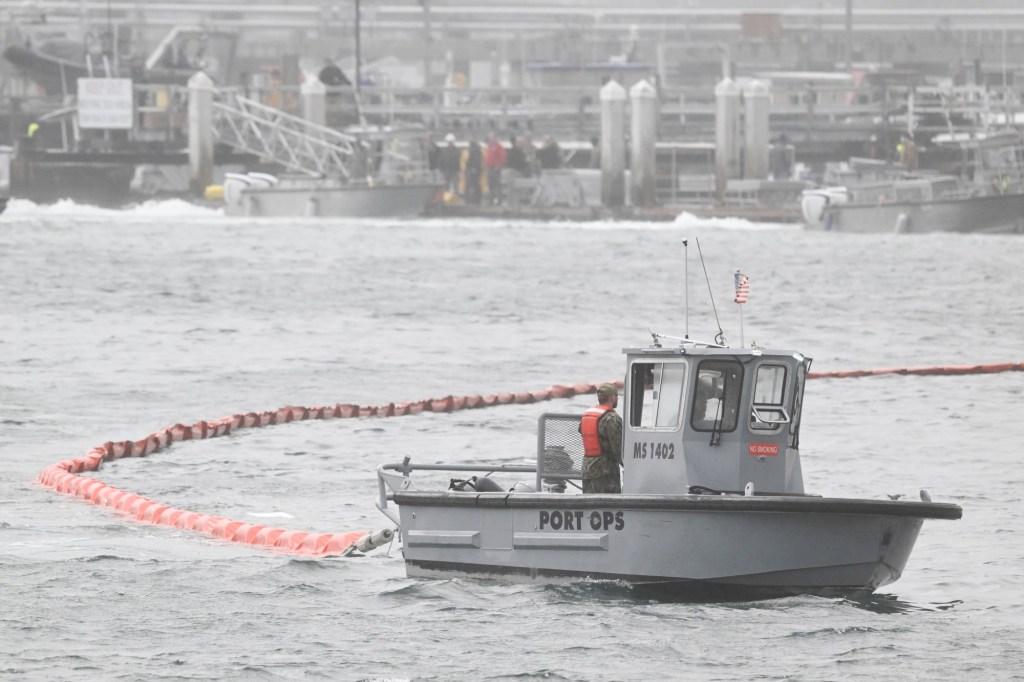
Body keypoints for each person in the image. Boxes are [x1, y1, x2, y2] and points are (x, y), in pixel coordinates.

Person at [580, 383, 623, 494]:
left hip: (587, 469)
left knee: (589, 504)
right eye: (617, 395)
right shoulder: (612, 418)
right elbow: (618, 448)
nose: (617, 398)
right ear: (612, 397)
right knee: (610, 506)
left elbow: (581, 430)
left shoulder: (587, 415)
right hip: (605, 472)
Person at [483, 133, 507, 205]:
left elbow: (503, 158)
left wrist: (498, 166)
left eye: (492, 138)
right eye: (490, 138)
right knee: (490, 185)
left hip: (496, 168)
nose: (491, 140)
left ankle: (499, 201)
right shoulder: (489, 147)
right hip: (489, 168)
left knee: (497, 185)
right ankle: (491, 200)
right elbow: (487, 158)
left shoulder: (499, 147)